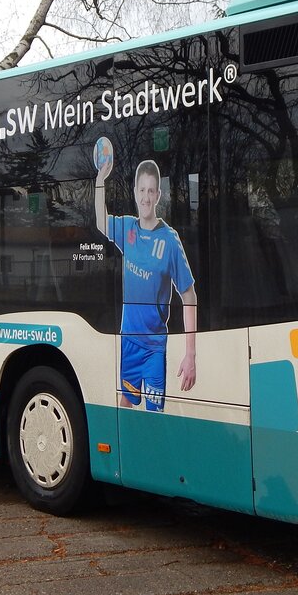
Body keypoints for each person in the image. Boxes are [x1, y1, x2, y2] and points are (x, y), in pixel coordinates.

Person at [94, 145, 196, 412]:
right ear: (136, 192)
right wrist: (99, 183)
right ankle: (126, 454)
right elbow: (101, 223)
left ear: (158, 195)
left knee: (154, 415)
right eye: (142, 190)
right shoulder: (127, 227)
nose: (146, 197)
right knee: (125, 402)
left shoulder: (170, 240)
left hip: (154, 347)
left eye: (152, 190)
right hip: (129, 340)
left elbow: (189, 296)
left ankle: (152, 454)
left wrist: (190, 354)